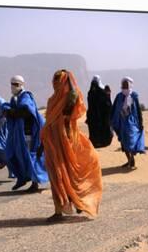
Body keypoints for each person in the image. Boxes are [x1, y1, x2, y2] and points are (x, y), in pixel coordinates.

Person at [38, 70, 103, 222]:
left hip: (67, 141)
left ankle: (78, 201)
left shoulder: (71, 97)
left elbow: (72, 111)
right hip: (52, 142)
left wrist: (70, 87)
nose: (55, 83)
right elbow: (49, 122)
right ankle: (59, 210)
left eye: (58, 80)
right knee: (57, 175)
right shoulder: (53, 99)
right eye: (53, 80)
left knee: (69, 174)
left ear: (64, 81)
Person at [1, 75, 48, 192]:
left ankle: (34, 184)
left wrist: (11, 112)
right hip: (19, 135)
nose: (14, 86)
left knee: (30, 157)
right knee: (15, 155)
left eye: (16, 84)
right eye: (12, 84)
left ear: (21, 85)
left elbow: (26, 111)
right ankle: (22, 178)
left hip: (28, 134)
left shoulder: (26, 96)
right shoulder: (16, 98)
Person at [111, 76, 145, 169]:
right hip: (121, 122)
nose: (124, 86)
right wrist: (112, 120)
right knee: (123, 142)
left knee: (130, 141)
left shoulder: (134, 95)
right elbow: (114, 108)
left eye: (126, 84)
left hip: (131, 123)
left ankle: (132, 160)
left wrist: (141, 122)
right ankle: (129, 160)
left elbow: (138, 109)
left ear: (130, 85)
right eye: (123, 84)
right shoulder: (119, 96)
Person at [86, 75, 113, 148]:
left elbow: (106, 104)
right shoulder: (91, 93)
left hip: (101, 116)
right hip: (94, 116)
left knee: (102, 128)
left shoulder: (101, 92)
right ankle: (96, 142)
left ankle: (101, 141)